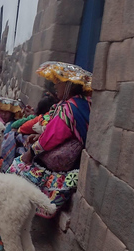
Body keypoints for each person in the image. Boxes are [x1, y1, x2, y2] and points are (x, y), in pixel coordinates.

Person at [7, 62, 92, 218]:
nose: (55, 86)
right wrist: (39, 136)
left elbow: (52, 136)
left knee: (18, 166)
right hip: (75, 158)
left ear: (69, 86)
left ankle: (19, 208)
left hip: (65, 161)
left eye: (58, 82)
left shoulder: (68, 108)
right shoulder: (83, 103)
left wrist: (31, 153)